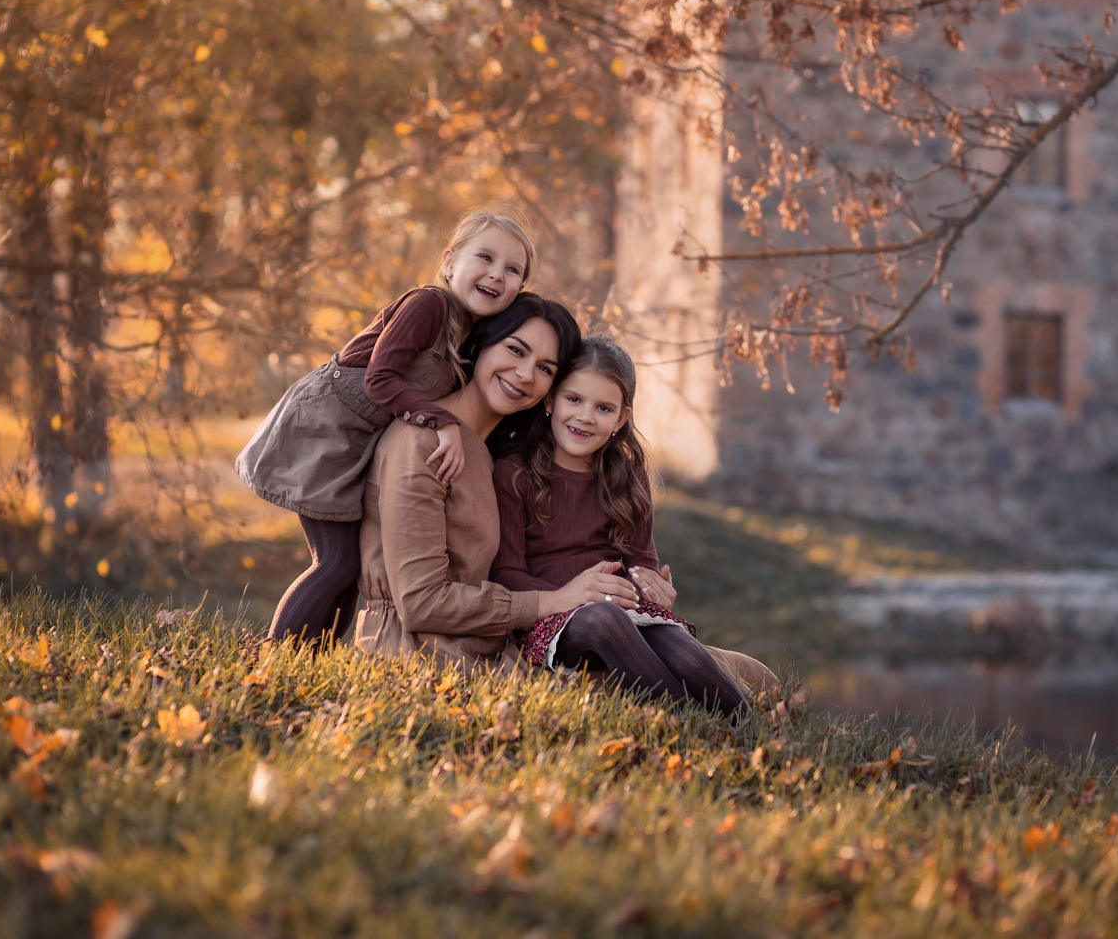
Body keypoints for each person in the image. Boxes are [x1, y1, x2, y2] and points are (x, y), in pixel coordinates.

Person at [239, 204, 536, 646]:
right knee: (334, 564)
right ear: (449, 262)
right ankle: (275, 660)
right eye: (486, 258)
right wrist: (443, 422)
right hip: (324, 431)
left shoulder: (466, 333)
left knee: (347, 570)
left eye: (513, 270)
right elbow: (380, 378)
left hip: (355, 443)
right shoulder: (428, 304)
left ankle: (311, 661)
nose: (497, 274)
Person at [355, 292, 646, 662]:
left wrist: (645, 586)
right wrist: (558, 600)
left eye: (545, 368)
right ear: (481, 344)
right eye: (515, 350)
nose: (525, 374)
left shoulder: (493, 451)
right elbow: (420, 603)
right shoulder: (422, 442)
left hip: (491, 647)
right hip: (420, 655)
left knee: (725, 664)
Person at [490, 336, 750, 716]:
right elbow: (506, 574)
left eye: (603, 407)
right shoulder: (515, 473)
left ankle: (748, 726)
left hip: (623, 608)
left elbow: (640, 559)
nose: (584, 417)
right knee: (604, 617)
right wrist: (572, 594)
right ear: (550, 400)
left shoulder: (627, 475)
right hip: (552, 620)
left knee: (684, 652)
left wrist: (651, 585)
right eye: (573, 399)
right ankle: (685, 723)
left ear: (621, 418)